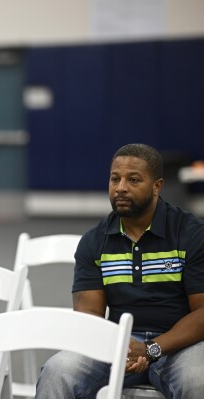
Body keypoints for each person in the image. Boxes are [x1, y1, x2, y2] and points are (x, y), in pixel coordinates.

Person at [35, 143, 204, 398]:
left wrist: (151, 349)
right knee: (57, 371)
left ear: (157, 186)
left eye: (133, 180)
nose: (121, 187)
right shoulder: (94, 241)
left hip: (179, 344)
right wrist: (123, 348)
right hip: (116, 344)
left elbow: (202, 313)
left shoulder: (191, 233)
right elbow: (88, 319)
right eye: (115, 179)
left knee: (197, 380)